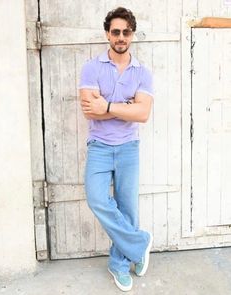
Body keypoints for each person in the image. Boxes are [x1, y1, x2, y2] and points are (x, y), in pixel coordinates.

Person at [79, 7, 154, 292]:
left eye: (126, 32)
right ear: (107, 34)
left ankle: (119, 265)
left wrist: (108, 105)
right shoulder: (91, 67)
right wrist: (127, 107)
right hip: (99, 146)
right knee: (97, 199)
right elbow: (90, 112)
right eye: (115, 32)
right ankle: (140, 243)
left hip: (128, 147)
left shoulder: (142, 72)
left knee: (127, 208)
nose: (120, 37)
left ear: (132, 35)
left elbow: (143, 114)